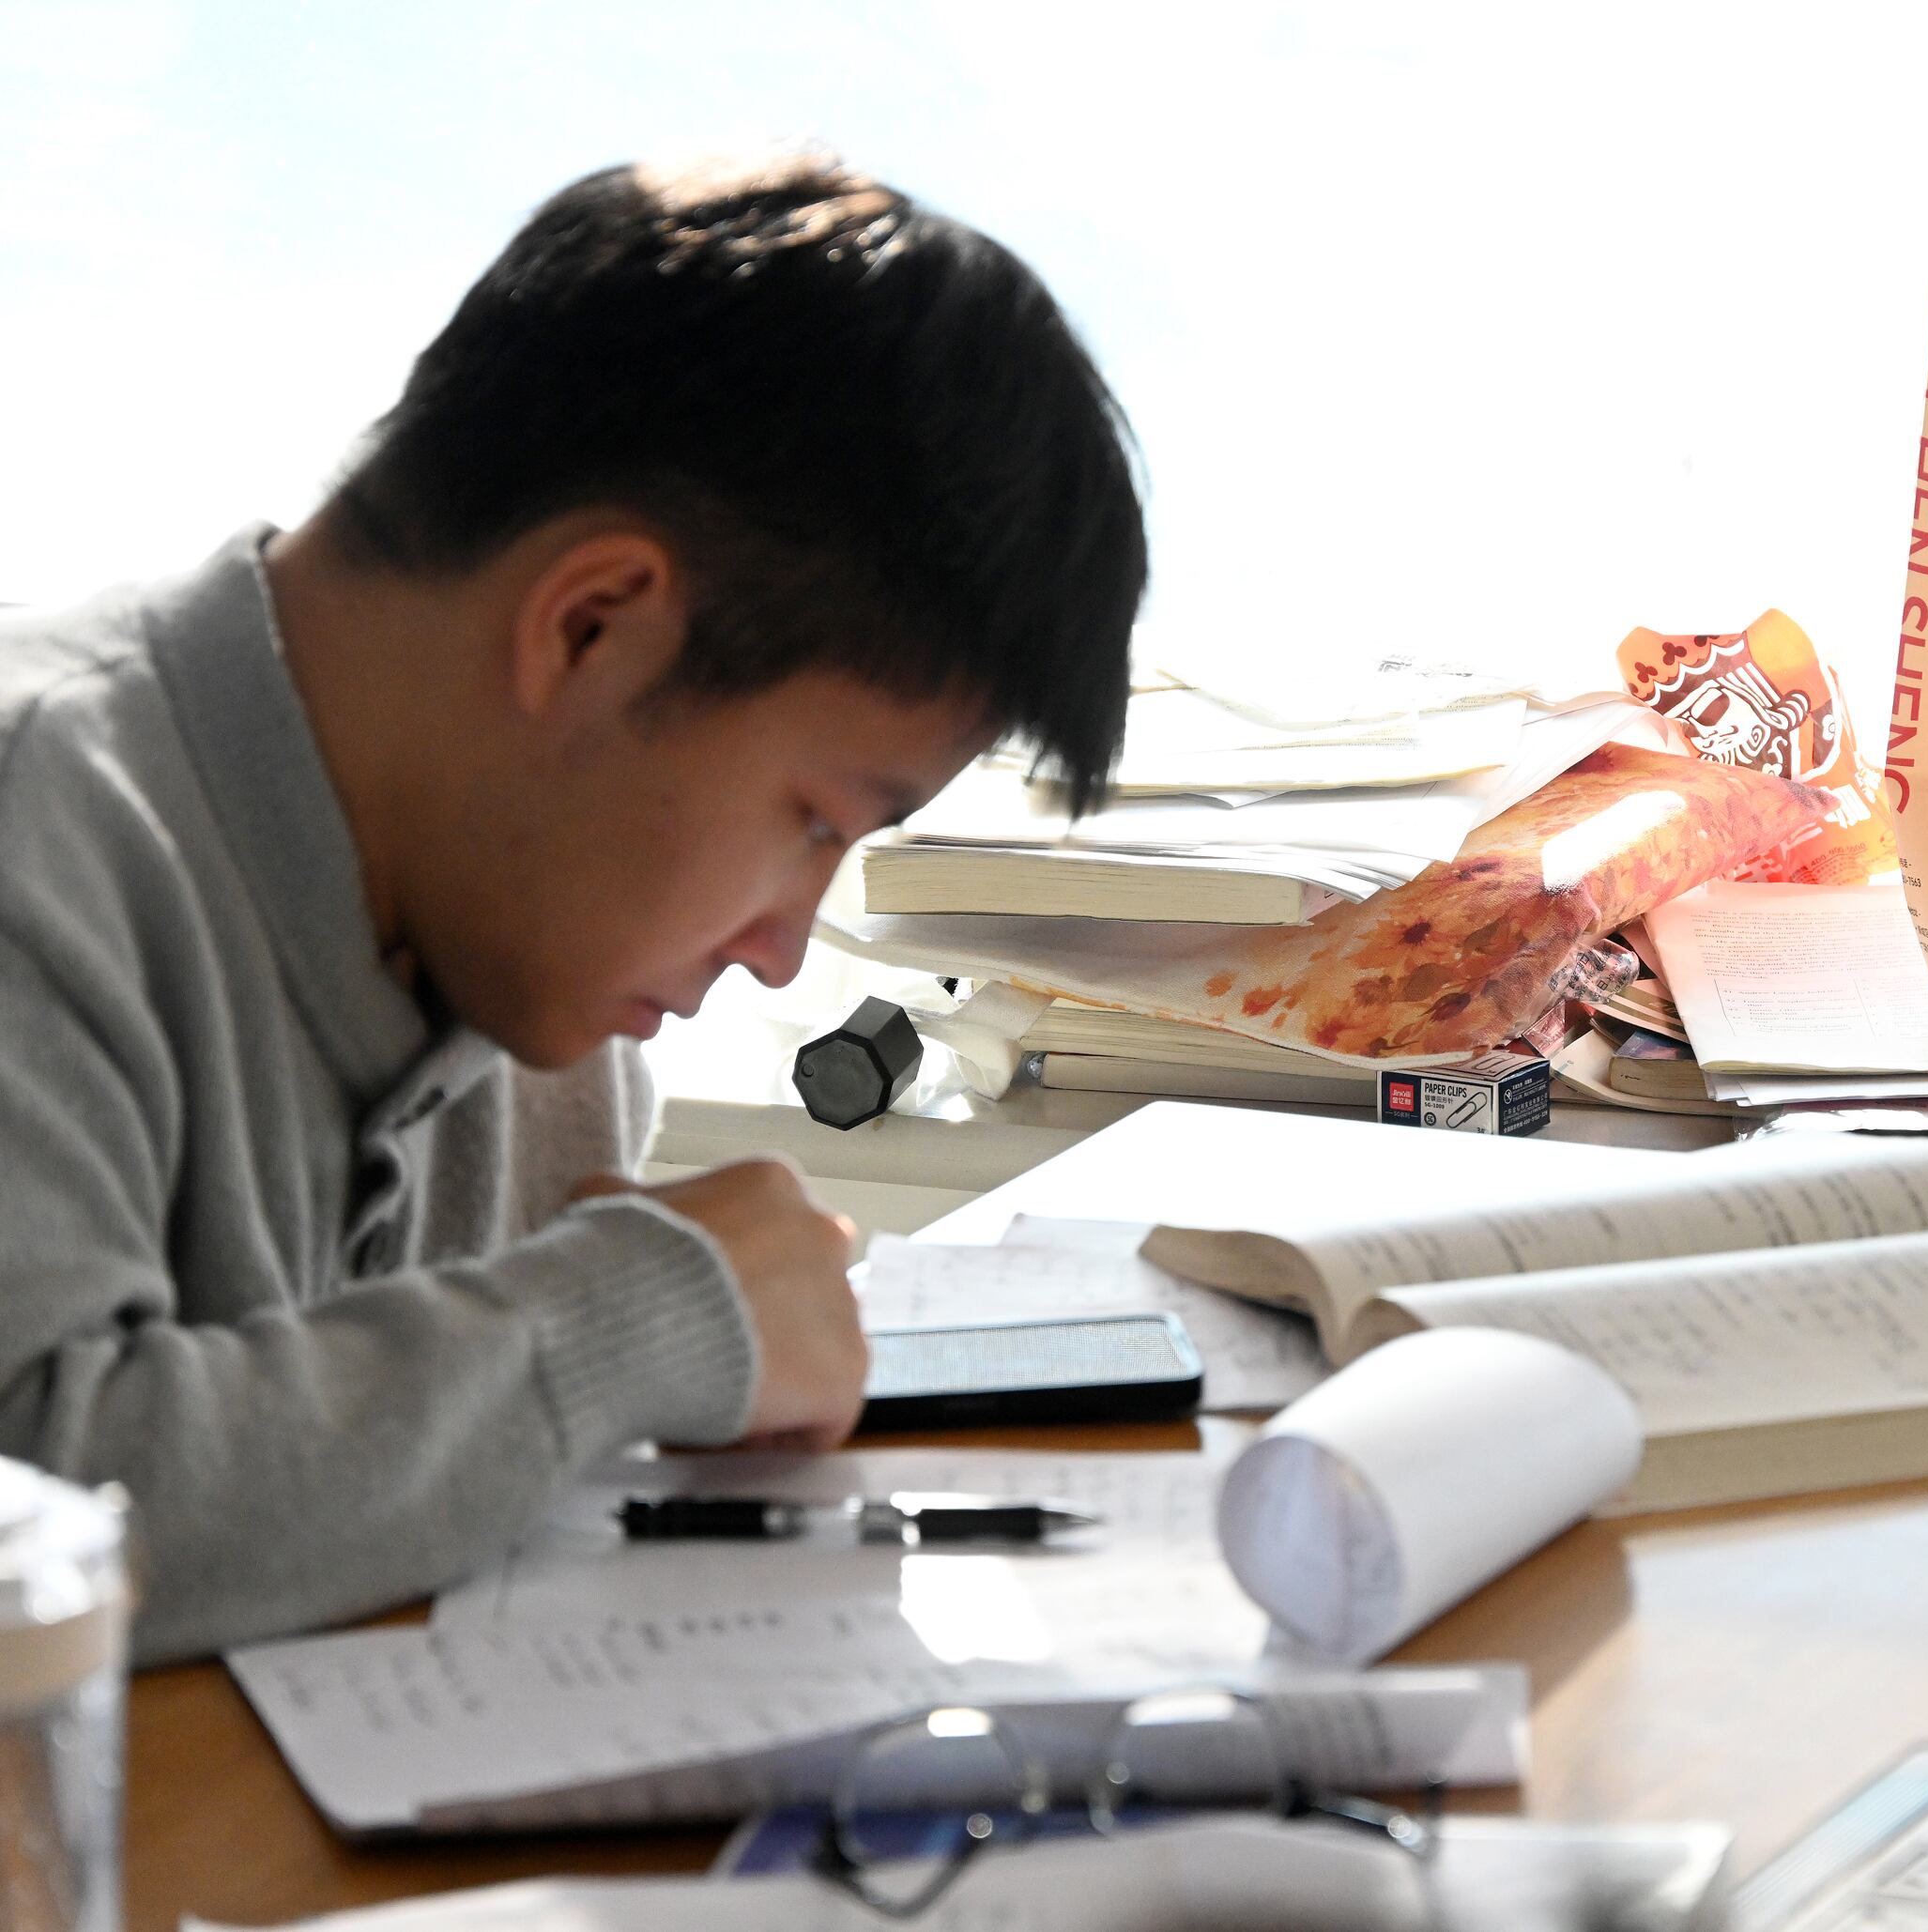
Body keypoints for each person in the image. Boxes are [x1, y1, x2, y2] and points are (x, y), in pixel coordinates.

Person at [0, 152, 1145, 1664]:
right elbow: (32, 1511)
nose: (782, 943)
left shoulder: (536, 974)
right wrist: (633, 1317)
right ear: (592, 627)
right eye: (813, 820)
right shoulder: (45, 833)